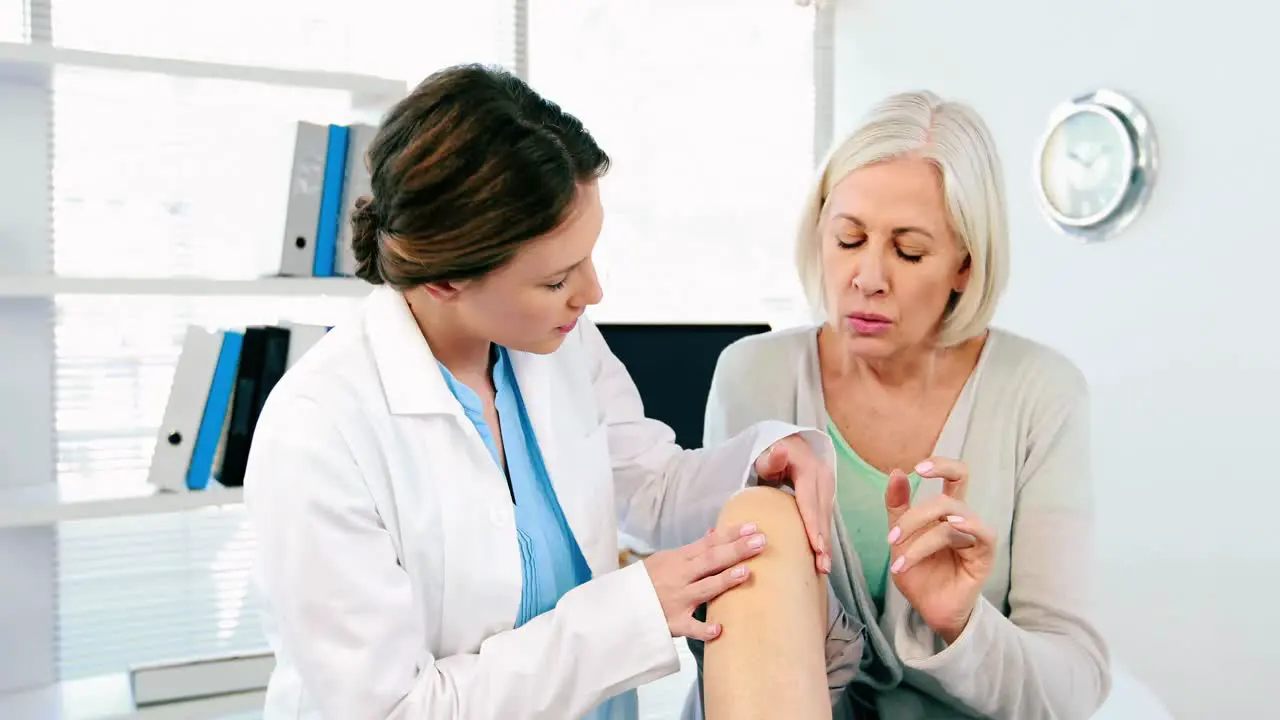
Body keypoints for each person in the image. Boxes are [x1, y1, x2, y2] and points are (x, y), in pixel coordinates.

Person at [240, 64, 838, 720]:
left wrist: (758, 459)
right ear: (445, 281)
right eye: (556, 280)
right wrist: (631, 614)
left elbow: (649, 486)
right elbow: (398, 710)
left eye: (588, 257)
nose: (592, 294)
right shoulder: (319, 432)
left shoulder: (557, 345)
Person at [685, 90, 1112, 719]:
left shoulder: (1039, 392)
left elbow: (1071, 689)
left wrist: (962, 624)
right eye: (848, 239)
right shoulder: (755, 375)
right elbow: (727, 633)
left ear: (966, 263)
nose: (868, 276)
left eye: (909, 251)